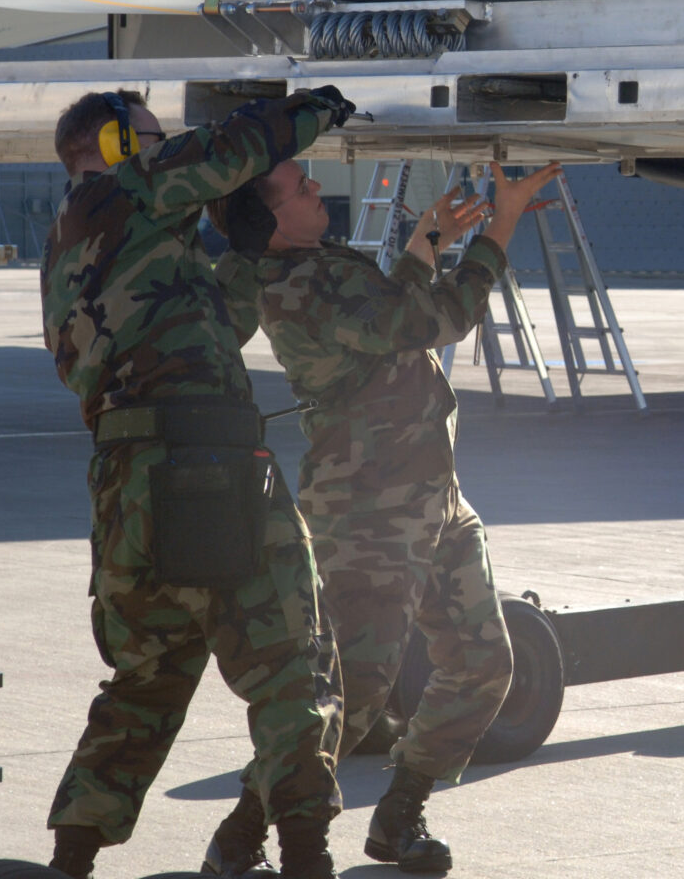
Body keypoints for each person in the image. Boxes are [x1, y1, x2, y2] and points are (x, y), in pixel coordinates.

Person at [207, 159, 562, 875]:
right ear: (268, 220)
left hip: (431, 496)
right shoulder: (300, 286)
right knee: (350, 694)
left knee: (483, 662)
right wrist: (502, 224)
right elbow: (431, 320)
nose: (316, 190)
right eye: (300, 189)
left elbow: (393, 307)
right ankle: (244, 832)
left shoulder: (320, 261)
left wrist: (428, 238)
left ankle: (399, 815)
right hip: (368, 512)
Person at [40, 86, 356, 879]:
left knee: (145, 681)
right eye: (147, 136)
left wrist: (249, 255)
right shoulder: (132, 187)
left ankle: (68, 861)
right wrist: (320, 103)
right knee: (291, 663)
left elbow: (207, 324)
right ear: (111, 143)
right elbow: (234, 147)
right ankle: (305, 857)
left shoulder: (74, 247)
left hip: (124, 491)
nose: (160, 146)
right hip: (205, 472)